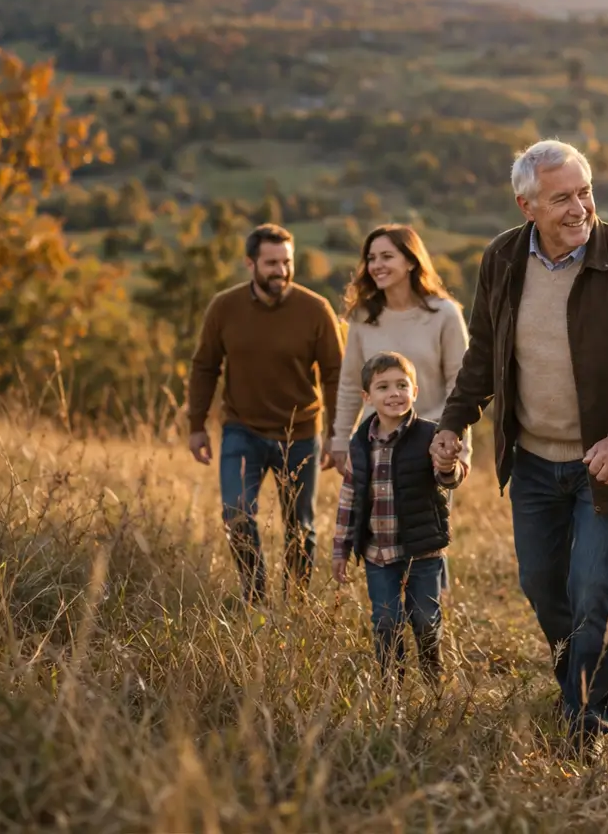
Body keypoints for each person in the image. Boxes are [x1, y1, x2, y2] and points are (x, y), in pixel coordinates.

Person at [432, 139, 608, 762]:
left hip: (606, 466)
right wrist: (453, 422)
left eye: (586, 191)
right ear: (527, 206)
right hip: (532, 462)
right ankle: (575, 680)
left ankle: (586, 725)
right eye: (562, 198)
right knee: (542, 583)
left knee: (594, 587)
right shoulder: (501, 259)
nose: (580, 207)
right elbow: (483, 354)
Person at [187, 223, 345, 603]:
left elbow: (337, 374)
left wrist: (338, 433)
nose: (281, 270)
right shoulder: (225, 307)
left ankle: (296, 600)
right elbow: (205, 366)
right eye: (271, 263)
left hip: (301, 432)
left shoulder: (315, 309)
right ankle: (255, 596)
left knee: (300, 527)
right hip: (243, 429)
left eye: (287, 262)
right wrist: (196, 426)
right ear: (250, 263)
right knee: (236, 515)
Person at [331, 353, 467, 683]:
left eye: (402, 385)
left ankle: (432, 671)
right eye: (383, 386)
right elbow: (348, 498)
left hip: (422, 551)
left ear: (415, 391)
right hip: (379, 554)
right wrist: (341, 549)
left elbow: (448, 478)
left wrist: (449, 467)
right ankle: (392, 683)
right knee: (385, 619)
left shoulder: (429, 435)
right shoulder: (359, 444)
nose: (394, 393)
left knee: (424, 617)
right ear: (367, 397)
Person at [328, 224, 469, 476]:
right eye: (371, 259)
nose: (376, 265)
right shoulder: (362, 316)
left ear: (411, 262)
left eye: (387, 256)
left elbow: (460, 386)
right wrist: (340, 441)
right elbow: (350, 384)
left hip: (431, 443)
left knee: (427, 516)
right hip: (374, 443)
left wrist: (460, 448)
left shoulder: (444, 314)